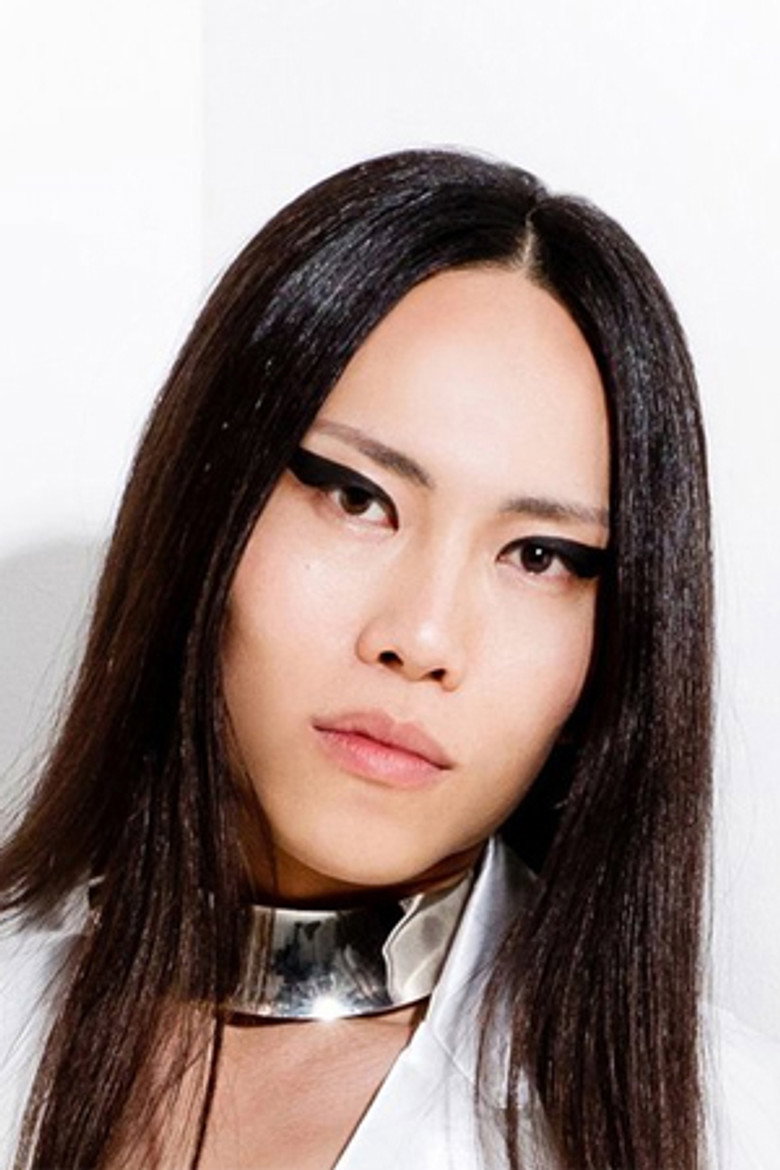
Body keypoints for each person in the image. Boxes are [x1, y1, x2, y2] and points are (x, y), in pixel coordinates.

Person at [0, 148, 777, 1170]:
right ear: (204, 506)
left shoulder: (724, 1128)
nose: (423, 638)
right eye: (357, 497)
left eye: (540, 556)